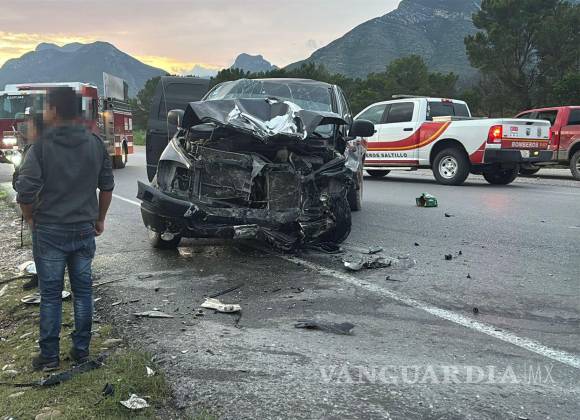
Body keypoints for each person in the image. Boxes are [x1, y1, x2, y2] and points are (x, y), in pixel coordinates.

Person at [15, 87, 114, 371]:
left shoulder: (40, 147)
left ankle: (49, 357)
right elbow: (107, 186)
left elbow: (25, 192)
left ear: (54, 110)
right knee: (83, 293)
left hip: (49, 230)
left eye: (46, 107)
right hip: (83, 229)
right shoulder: (95, 143)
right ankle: (81, 351)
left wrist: (30, 218)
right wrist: (100, 219)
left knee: (50, 295)